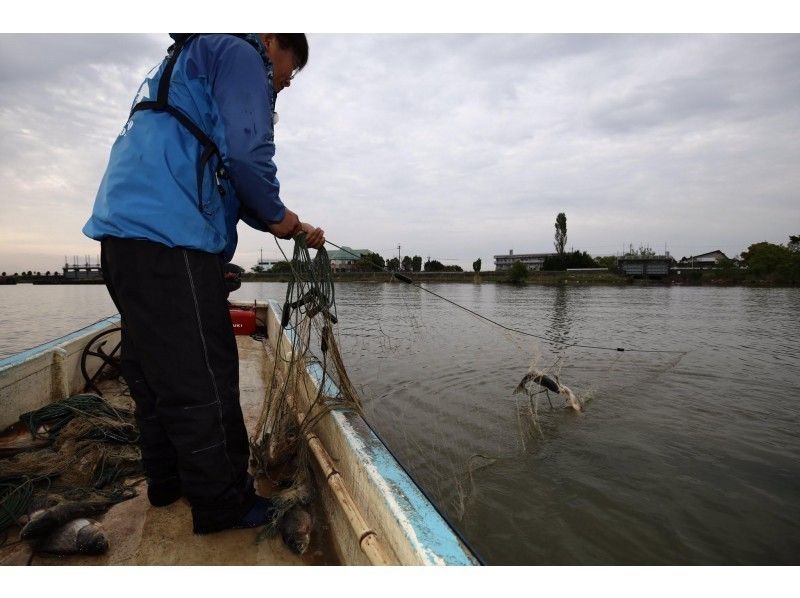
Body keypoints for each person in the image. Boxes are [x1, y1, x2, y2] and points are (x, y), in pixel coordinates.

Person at [83, 33, 324, 534]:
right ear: (270, 39)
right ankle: (222, 505)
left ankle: (167, 482)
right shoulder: (239, 54)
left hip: (123, 238)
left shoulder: (188, 56)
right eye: (289, 66)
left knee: (151, 372)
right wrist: (280, 215)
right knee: (203, 381)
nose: (286, 79)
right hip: (174, 241)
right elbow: (245, 153)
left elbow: (223, 176)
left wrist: (287, 223)